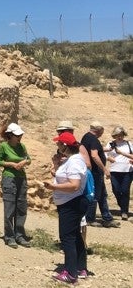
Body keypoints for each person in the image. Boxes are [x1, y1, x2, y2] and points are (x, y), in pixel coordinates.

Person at [43, 132, 89, 284]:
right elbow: (65, 177)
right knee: (75, 235)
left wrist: (54, 186)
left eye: (59, 143)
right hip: (72, 202)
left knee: (67, 238)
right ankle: (81, 268)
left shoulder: (74, 161)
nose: (57, 146)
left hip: (71, 203)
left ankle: (70, 273)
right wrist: (56, 167)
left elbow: (74, 185)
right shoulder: (73, 160)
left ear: (65, 145)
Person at [54, 120, 92, 252]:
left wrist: (69, 162)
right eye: (59, 131)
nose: (60, 133)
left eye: (63, 131)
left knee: (78, 224)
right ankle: (78, 260)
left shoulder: (78, 149)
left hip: (77, 192)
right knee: (71, 228)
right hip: (66, 193)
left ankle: (76, 256)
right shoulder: (63, 149)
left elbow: (87, 165)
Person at [0, 123, 31, 248]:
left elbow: (28, 159)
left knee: (21, 207)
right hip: (9, 178)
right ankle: (9, 236)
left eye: (20, 134)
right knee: (10, 207)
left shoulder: (22, 146)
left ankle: (19, 235)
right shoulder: (4, 146)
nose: (20, 137)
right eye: (17, 135)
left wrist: (24, 162)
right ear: (10, 135)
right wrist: (11, 164)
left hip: (21, 177)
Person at [81, 121, 119, 228]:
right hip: (96, 172)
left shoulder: (86, 137)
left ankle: (107, 218)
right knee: (95, 195)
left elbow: (95, 150)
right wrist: (104, 169)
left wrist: (107, 149)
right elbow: (94, 155)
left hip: (93, 171)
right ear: (99, 130)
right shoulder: (93, 139)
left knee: (102, 195)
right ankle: (90, 219)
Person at [104, 126, 133, 221]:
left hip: (127, 170)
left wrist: (121, 153)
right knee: (116, 190)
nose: (119, 137)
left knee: (125, 190)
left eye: (121, 135)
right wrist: (108, 158)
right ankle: (123, 206)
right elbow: (104, 153)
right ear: (114, 135)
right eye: (117, 135)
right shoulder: (111, 144)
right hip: (114, 170)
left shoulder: (128, 144)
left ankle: (124, 211)